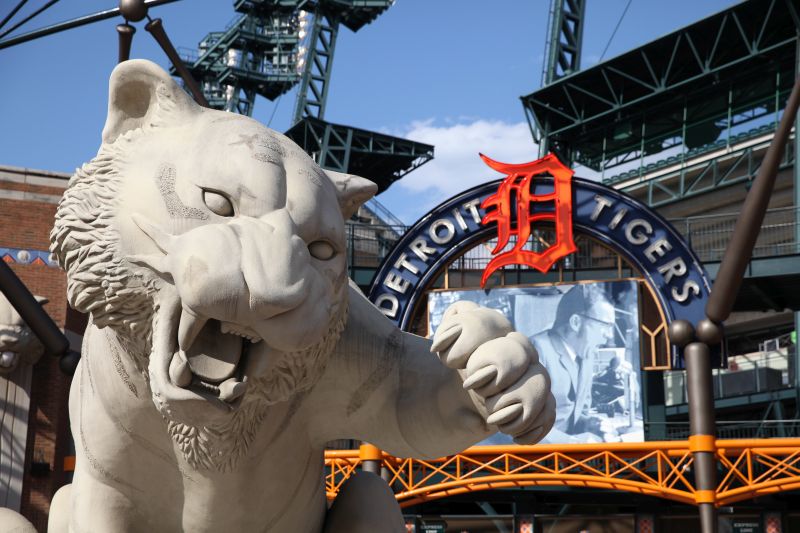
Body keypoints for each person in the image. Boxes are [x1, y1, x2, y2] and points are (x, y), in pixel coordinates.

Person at [530, 285, 616, 443]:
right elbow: (525, 426)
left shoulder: (586, 355)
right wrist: (573, 443)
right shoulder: (536, 351)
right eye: (605, 326)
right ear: (576, 322)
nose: (609, 336)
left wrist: (589, 424)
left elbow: (574, 415)